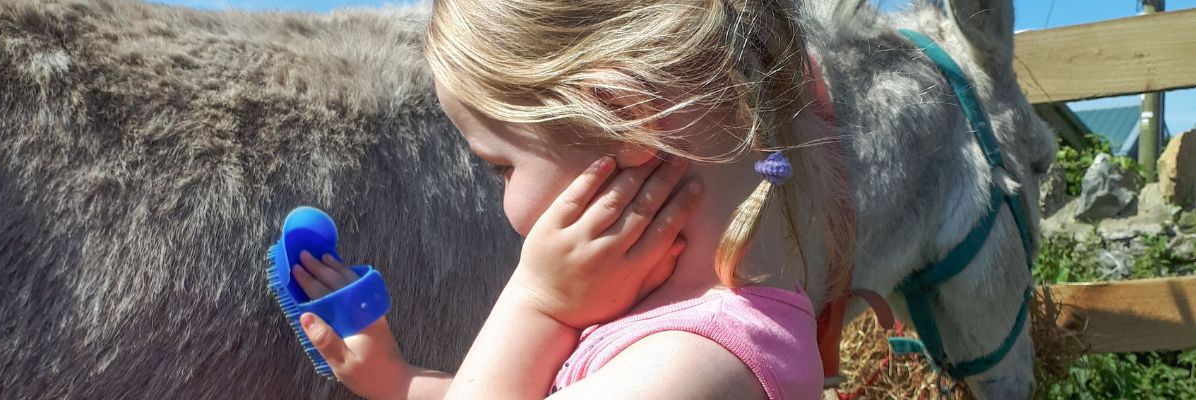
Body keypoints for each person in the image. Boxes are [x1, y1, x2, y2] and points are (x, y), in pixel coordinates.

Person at [293, 0, 853, 398]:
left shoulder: (689, 371)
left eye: (501, 167)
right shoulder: (691, 341)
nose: (504, 206)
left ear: (625, 115)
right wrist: (401, 381)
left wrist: (538, 302)